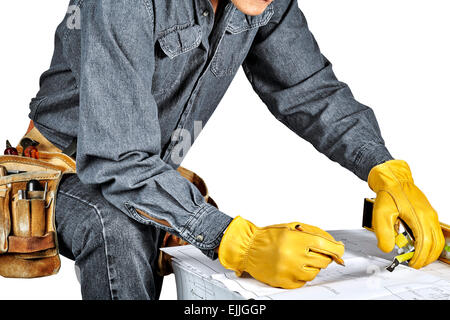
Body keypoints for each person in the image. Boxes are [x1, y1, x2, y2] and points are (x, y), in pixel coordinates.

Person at [26, 0, 445, 299]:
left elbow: (310, 91)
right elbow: (116, 161)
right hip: (55, 173)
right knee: (122, 228)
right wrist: (238, 242)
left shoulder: (261, 1)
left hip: (143, 172)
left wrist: (387, 171)